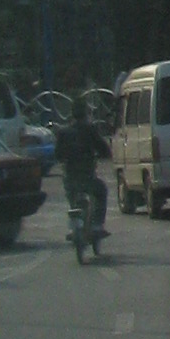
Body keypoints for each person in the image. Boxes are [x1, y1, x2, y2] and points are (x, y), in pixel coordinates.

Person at [57, 101, 107, 244]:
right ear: (85, 113)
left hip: (70, 178)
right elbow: (103, 148)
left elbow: (57, 155)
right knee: (101, 191)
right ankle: (97, 225)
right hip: (87, 177)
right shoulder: (90, 129)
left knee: (72, 196)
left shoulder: (63, 132)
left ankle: (74, 224)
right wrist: (103, 154)